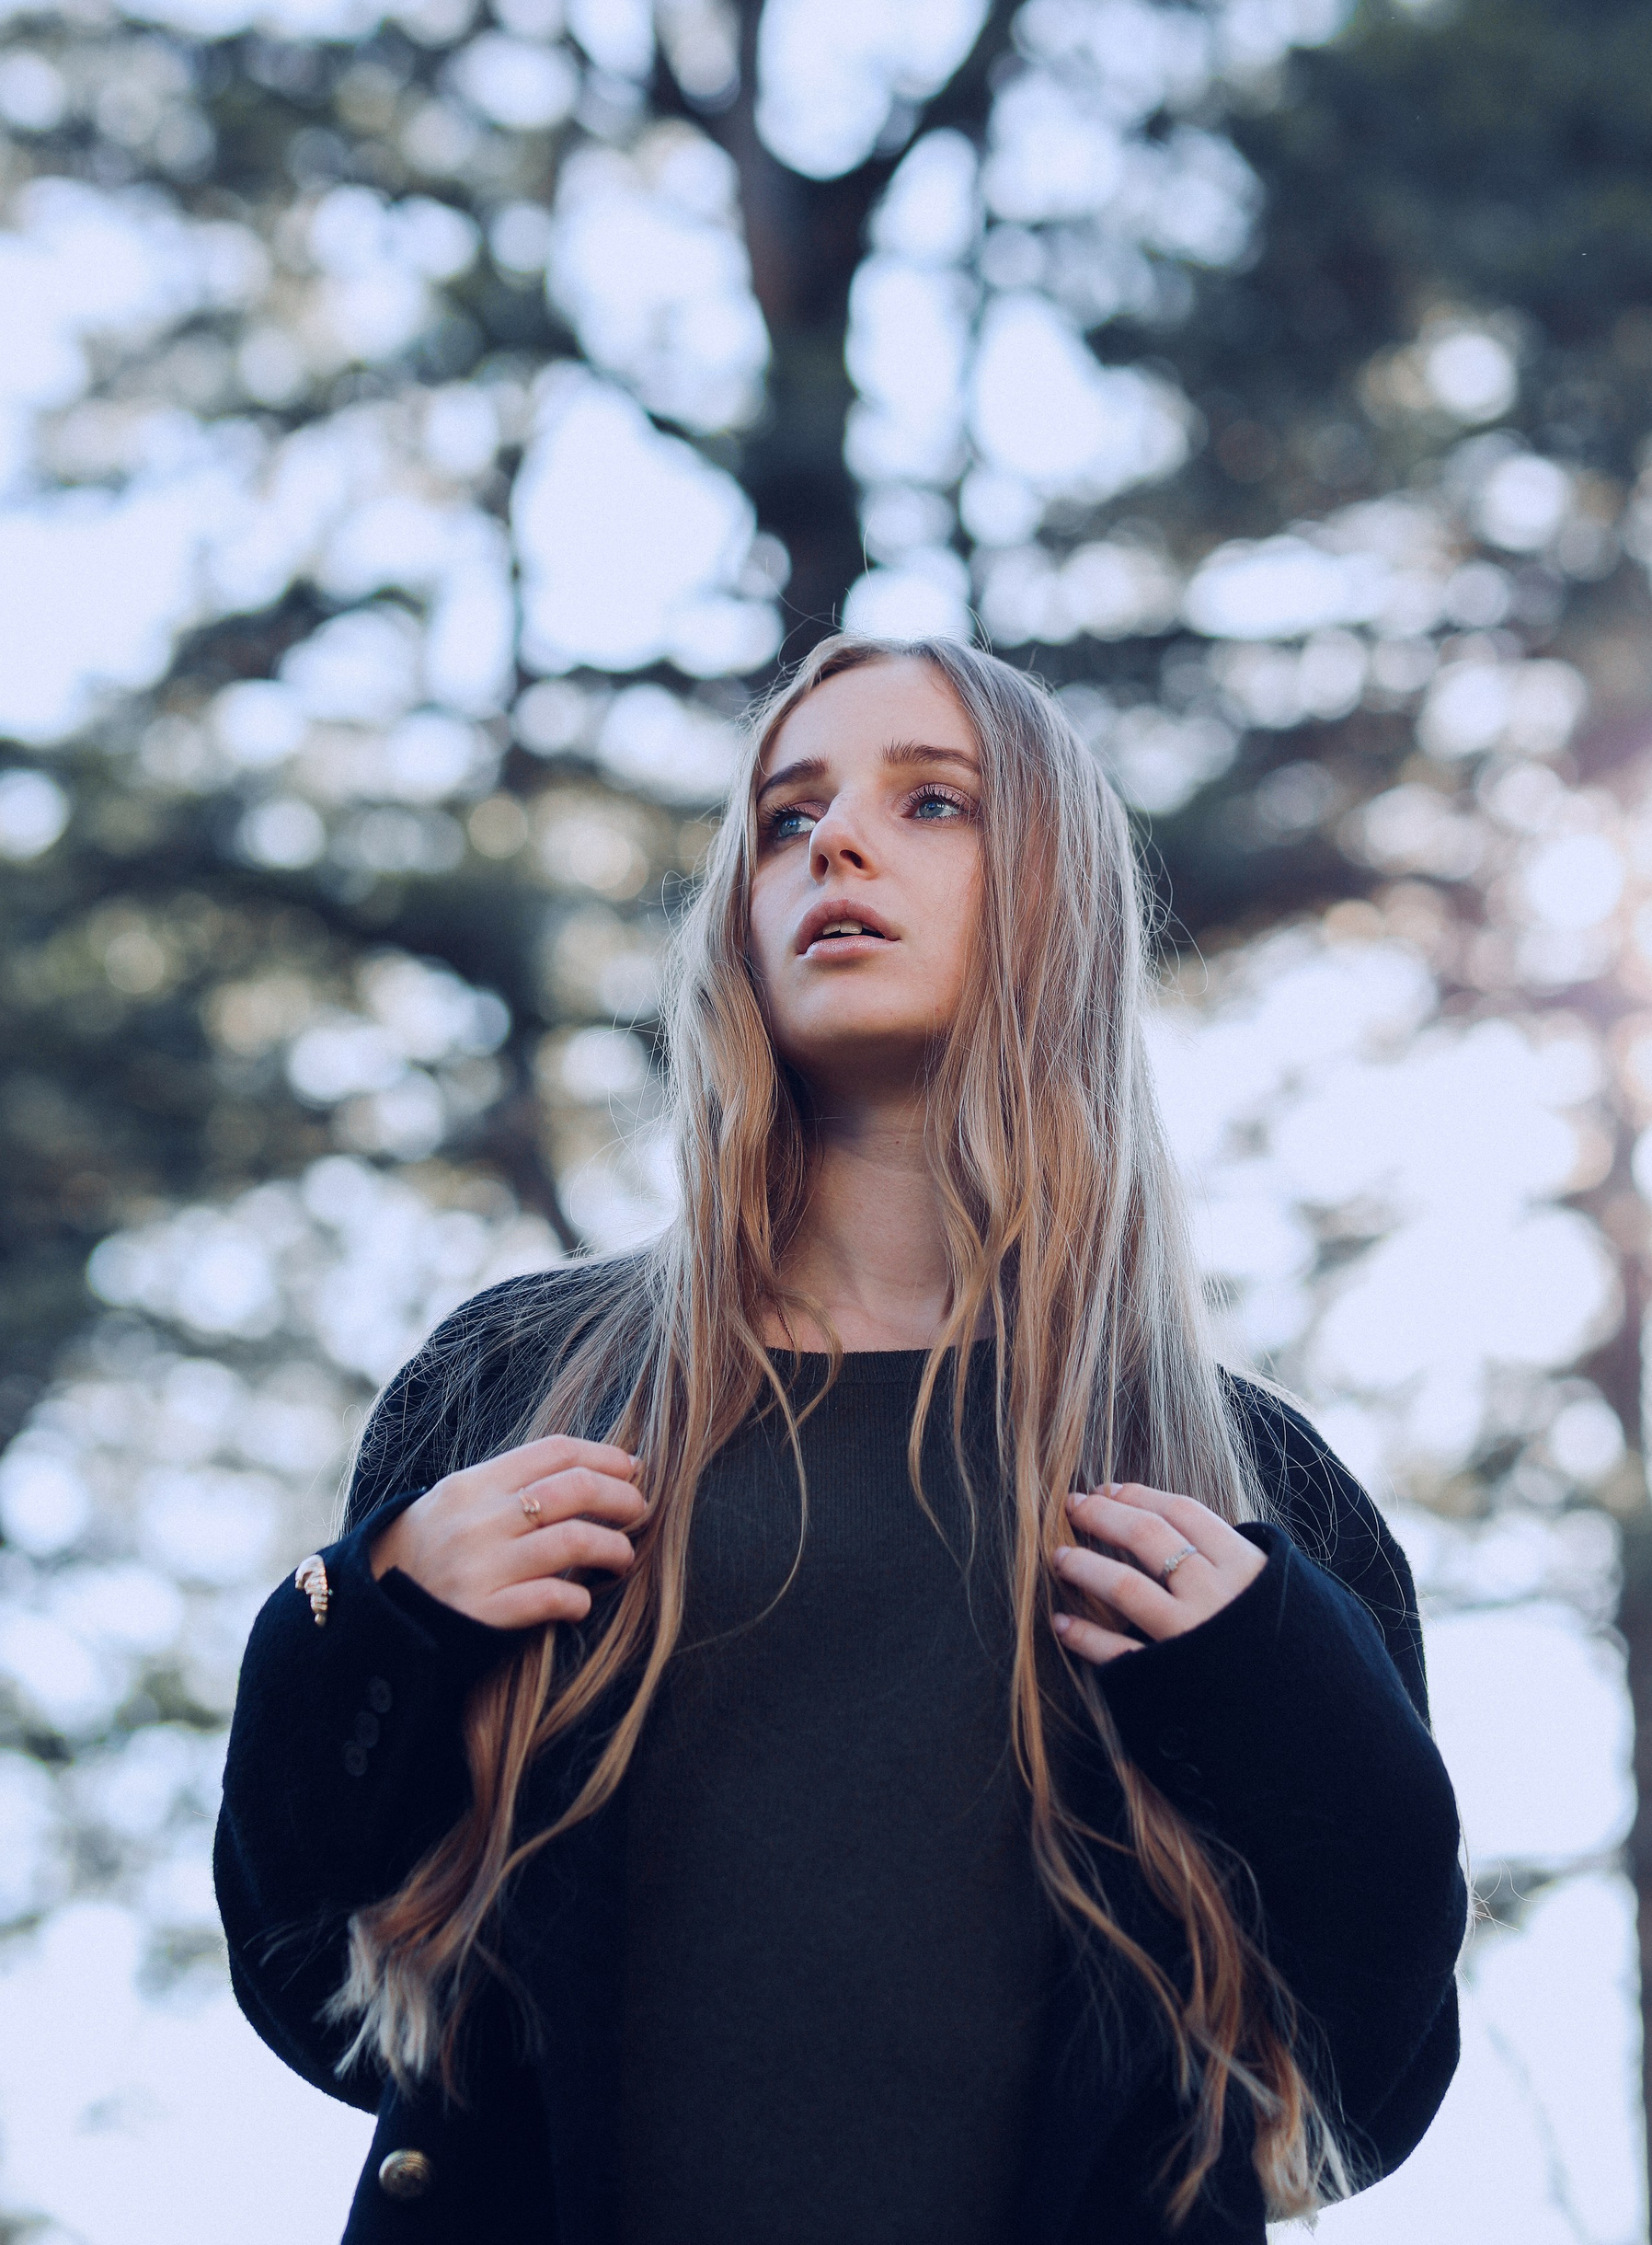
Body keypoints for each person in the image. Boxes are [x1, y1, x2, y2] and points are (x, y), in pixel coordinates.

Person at [216, 633, 1465, 2245]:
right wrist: (372, 1613)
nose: (838, 845)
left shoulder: (1241, 1478)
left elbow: (1369, 2082)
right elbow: (308, 1965)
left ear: (1060, 896)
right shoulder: (514, 1381)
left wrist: (1284, 1679)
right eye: (788, 818)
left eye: (931, 800)